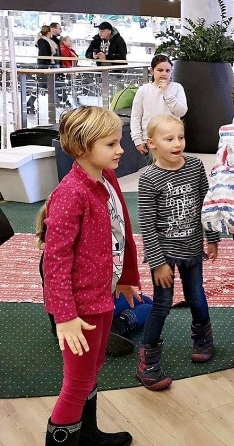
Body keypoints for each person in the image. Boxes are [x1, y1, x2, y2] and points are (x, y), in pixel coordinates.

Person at [39, 106, 141, 446]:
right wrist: (64, 317)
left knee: (94, 367)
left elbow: (121, 227)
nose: (120, 149)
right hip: (80, 305)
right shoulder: (72, 193)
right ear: (83, 148)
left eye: (119, 141)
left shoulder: (107, 178)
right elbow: (54, 261)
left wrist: (126, 275)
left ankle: (88, 434)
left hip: (103, 294)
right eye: (111, 144)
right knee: (77, 382)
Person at [135, 114, 219, 390]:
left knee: (196, 296)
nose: (177, 143)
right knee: (162, 304)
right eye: (169, 138)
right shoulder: (148, 178)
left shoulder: (195, 167)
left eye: (180, 137)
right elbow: (147, 223)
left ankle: (204, 339)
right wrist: (158, 263)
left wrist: (213, 238)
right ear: (151, 144)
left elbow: (208, 204)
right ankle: (148, 359)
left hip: (193, 248)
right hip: (164, 253)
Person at [130, 54, 188, 156]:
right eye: (160, 70)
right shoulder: (143, 90)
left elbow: (181, 111)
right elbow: (136, 116)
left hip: (173, 138)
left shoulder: (177, 87)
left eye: (168, 71)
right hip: (150, 140)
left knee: (172, 168)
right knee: (153, 170)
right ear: (152, 71)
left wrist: (166, 92)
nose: (164, 74)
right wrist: (137, 140)